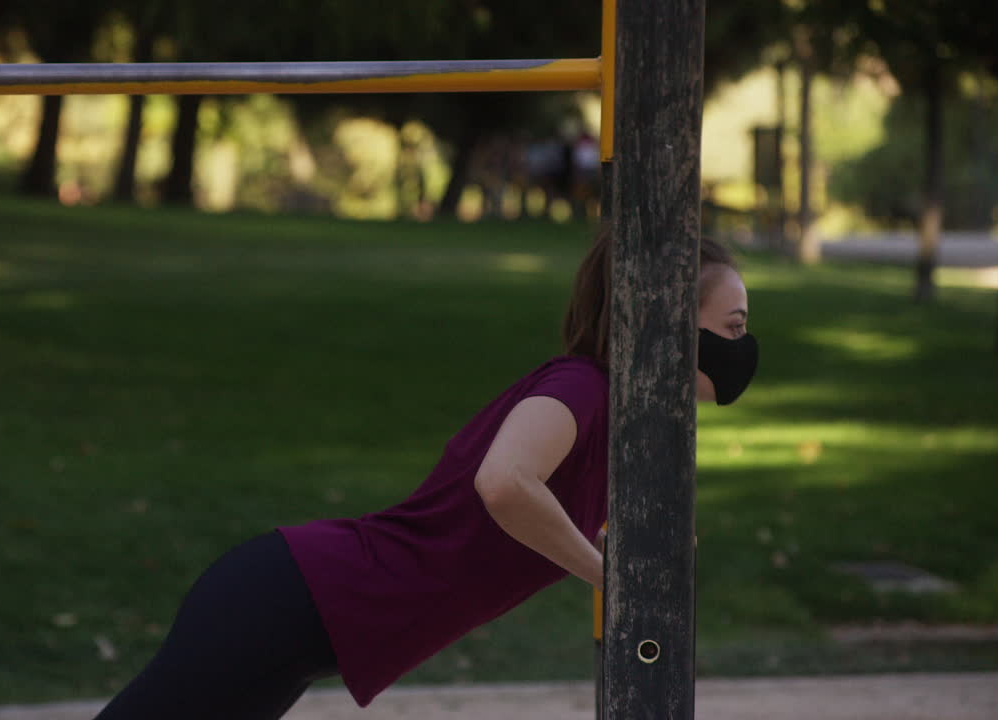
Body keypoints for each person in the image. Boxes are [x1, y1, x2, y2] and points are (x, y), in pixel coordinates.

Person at [93, 227, 758, 720]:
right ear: (667, 322)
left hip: (299, 619)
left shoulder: (619, 417)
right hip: (287, 600)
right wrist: (613, 582)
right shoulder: (583, 387)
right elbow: (503, 484)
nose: (741, 346)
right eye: (732, 326)